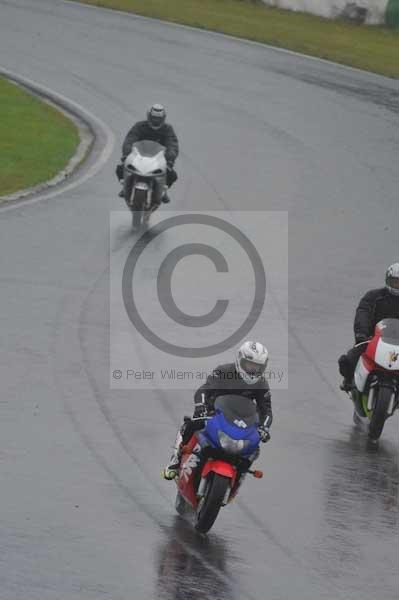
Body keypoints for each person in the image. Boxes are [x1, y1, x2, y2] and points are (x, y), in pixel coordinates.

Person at [163, 341, 273, 480]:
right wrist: (201, 407)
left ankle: (238, 477)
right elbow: (204, 390)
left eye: (258, 367)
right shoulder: (224, 371)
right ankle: (175, 460)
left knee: (254, 448)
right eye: (250, 365)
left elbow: (266, 410)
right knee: (190, 425)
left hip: (241, 421)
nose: (253, 370)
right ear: (240, 359)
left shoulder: (261, 383)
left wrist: (265, 428)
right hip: (214, 413)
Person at [338, 263, 399, 390]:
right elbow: (363, 313)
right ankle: (349, 381)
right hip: (373, 340)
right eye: (395, 282)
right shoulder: (374, 296)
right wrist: (361, 334)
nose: (397, 285)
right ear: (388, 280)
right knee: (349, 360)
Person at [115, 104, 179, 203]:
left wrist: (170, 158)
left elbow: (172, 144)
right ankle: (125, 186)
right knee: (120, 168)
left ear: (163, 118)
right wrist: (126, 154)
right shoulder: (139, 126)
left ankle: (164, 191)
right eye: (154, 118)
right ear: (149, 116)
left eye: (158, 118)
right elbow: (129, 140)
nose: (156, 120)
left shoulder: (167, 129)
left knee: (172, 175)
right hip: (138, 157)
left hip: (158, 160)